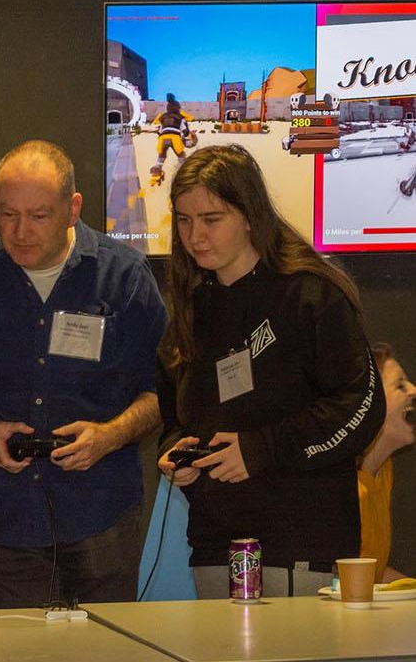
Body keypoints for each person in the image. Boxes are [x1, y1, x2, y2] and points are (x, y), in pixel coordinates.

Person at [0, 139, 167, 608]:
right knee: (20, 645)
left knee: (107, 644)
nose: (21, 231)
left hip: (101, 514)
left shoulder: (124, 276)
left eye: (39, 216)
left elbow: (161, 393)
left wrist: (109, 436)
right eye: (8, 214)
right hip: (6, 520)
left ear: (73, 209)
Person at [156, 143, 385, 598]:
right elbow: (175, 419)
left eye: (211, 219)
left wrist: (262, 448)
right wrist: (174, 454)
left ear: (249, 216)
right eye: (184, 220)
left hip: (299, 541)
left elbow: (361, 406)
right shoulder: (191, 308)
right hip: (214, 544)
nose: (195, 235)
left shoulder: (309, 294)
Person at [359, 342, 415, 583]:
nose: (413, 390)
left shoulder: (384, 471)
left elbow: (374, 572)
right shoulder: (340, 485)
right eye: (400, 385)